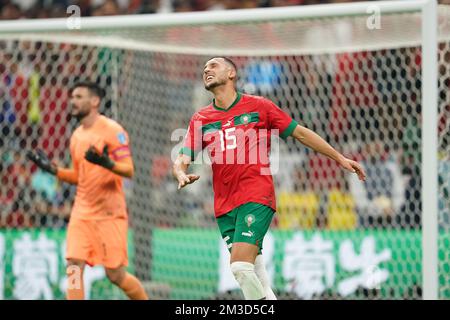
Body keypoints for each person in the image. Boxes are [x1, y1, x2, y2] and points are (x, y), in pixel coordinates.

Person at [172, 57, 366, 300]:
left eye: (213, 66)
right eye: (204, 68)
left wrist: (339, 158)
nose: (207, 70)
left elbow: (300, 133)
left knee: (240, 268)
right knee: (256, 274)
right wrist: (180, 172)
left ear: (231, 73)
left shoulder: (258, 106)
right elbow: (182, 157)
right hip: (224, 205)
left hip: (256, 196)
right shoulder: (201, 118)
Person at [26, 81, 148, 300]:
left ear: (95, 101)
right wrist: (54, 170)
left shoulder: (113, 130)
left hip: (109, 214)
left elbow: (129, 170)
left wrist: (105, 162)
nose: (73, 101)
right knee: (73, 265)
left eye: (79, 96)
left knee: (116, 275)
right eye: (72, 96)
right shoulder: (76, 136)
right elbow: (78, 176)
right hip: (82, 212)